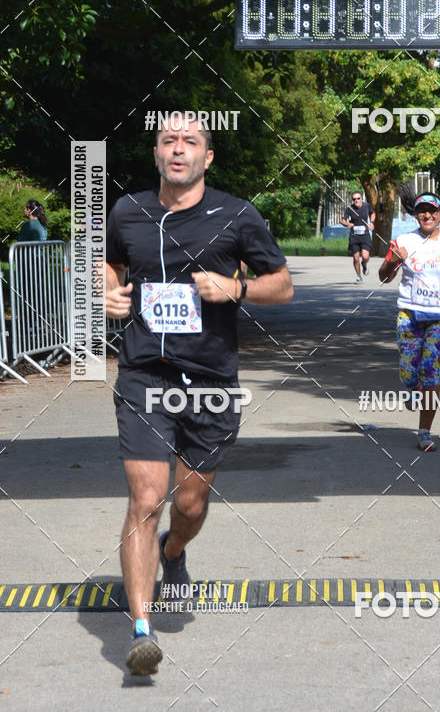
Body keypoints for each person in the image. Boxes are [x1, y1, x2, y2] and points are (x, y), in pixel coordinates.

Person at [105, 116, 293, 675]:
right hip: (144, 374)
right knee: (146, 497)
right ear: (156, 154)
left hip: (210, 381)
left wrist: (235, 287)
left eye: (191, 142)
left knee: (188, 504)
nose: (178, 149)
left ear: (207, 158)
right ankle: (141, 630)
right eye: (168, 141)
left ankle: (175, 550)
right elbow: (111, 265)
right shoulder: (128, 212)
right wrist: (109, 293)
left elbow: (281, 284)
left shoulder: (236, 215)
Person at [379, 189, 440, 452]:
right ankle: (412, 389)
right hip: (410, 315)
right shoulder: (403, 241)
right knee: (409, 376)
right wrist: (392, 263)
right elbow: (383, 277)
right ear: (415, 215)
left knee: (430, 374)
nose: (427, 215)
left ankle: (424, 432)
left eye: (432, 211)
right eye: (422, 211)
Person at [340, 190, 376, 281]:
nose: (356, 200)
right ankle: (359, 276)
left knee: (365, 257)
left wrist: (371, 223)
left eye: (358, 198)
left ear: (361, 198)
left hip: (365, 235)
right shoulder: (350, 208)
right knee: (356, 258)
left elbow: (373, 213)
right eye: (354, 199)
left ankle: (364, 265)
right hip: (354, 236)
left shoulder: (366, 205)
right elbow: (342, 220)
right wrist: (347, 224)